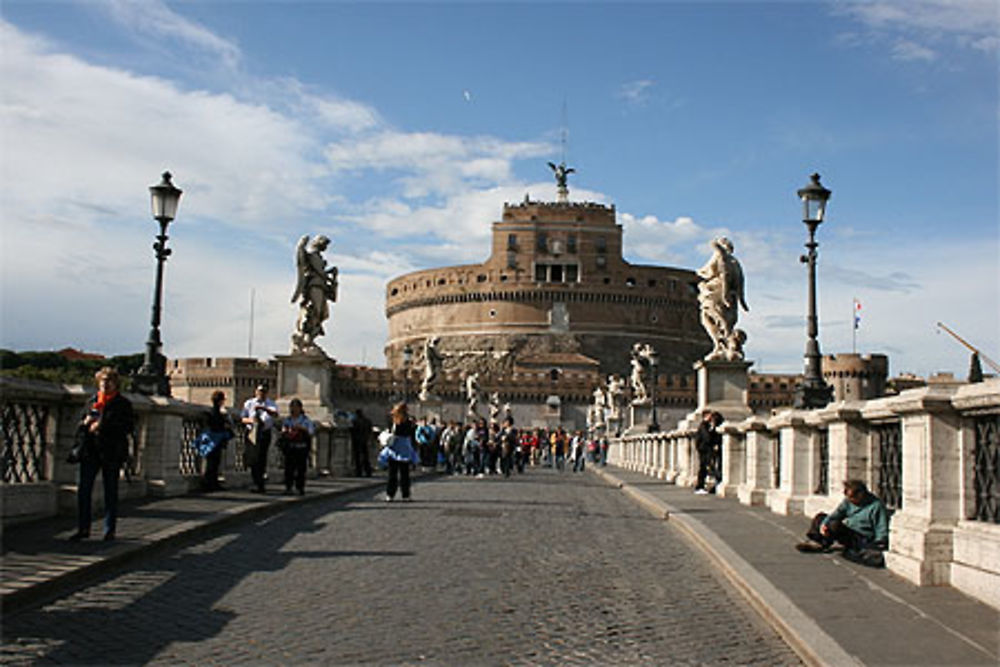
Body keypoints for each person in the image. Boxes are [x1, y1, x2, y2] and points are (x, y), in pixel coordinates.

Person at [71, 367, 134, 541]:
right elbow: (81, 426)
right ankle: (83, 528)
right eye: (102, 381)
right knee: (84, 491)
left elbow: (128, 427)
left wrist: (103, 425)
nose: (105, 384)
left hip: (111, 451)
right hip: (90, 450)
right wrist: (85, 424)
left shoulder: (123, 404)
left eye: (109, 381)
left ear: (116, 383)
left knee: (110, 492)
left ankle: (109, 529)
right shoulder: (91, 401)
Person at [796, 480, 890, 566]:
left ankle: (824, 543)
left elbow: (881, 527)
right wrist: (824, 524)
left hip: (859, 535)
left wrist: (879, 542)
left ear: (861, 494)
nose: (850, 501)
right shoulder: (848, 502)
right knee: (820, 517)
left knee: (834, 525)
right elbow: (836, 514)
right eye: (848, 498)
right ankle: (818, 542)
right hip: (847, 528)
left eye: (852, 498)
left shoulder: (876, 506)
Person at [242, 384, 279, 493]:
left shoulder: (271, 404)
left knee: (261, 458)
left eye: (263, 392)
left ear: (266, 393)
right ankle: (257, 481)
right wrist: (252, 421)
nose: (261, 394)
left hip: (264, 433)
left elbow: (275, 414)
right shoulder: (249, 403)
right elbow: (243, 418)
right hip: (252, 433)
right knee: (253, 459)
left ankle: (260, 484)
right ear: (255, 392)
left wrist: (263, 408)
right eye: (259, 391)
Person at [378, 402, 418, 502]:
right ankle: (406, 495)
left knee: (392, 474)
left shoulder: (392, 421)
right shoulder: (409, 422)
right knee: (405, 475)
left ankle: (390, 494)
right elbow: (412, 435)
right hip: (405, 449)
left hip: (393, 448)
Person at [280, 398, 315, 495]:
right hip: (290, 447)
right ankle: (288, 487)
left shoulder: (306, 420)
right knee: (288, 468)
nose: (293, 409)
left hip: (301, 447)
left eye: (295, 407)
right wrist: (286, 431)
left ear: (300, 408)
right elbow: (283, 432)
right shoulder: (287, 420)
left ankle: (300, 487)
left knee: (301, 469)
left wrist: (301, 428)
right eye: (292, 407)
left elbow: (311, 432)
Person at [201, 390, 234, 492]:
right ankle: (210, 483)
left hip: (212, 439)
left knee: (212, 463)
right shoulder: (217, 414)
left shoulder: (211, 413)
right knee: (213, 463)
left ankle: (210, 483)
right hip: (216, 440)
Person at [694, 410, 721, 494]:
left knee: (706, 468)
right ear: (706, 416)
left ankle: (703, 486)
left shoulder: (705, 425)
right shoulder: (703, 426)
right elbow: (707, 438)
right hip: (704, 450)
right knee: (705, 468)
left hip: (704, 449)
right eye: (710, 415)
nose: (711, 417)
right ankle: (700, 486)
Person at [349, 408, 373, 477]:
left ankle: (359, 472)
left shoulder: (355, 421)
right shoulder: (367, 421)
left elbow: (352, 430)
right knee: (366, 457)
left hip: (357, 441)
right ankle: (368, 471)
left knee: (357, 457)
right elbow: (369, 430)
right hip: (365, 440)